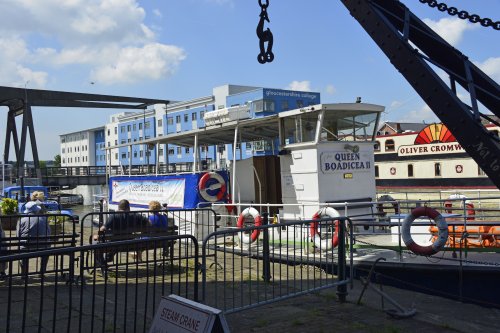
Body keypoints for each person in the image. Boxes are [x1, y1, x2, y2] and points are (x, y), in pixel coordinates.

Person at [93, 199, 149, 264]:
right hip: (130, 242)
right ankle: (108, 257)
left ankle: (101, 262)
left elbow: (103, 229)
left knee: (95, 242)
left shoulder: (113, 216)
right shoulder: (135, 215)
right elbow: (148, 223)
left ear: (119, 207)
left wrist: (96, 234)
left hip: (115, 243)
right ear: (129, 207)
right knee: (116, 241)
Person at [17, 201, 51, 277]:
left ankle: (24, 273)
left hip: (26, 247)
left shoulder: (22, 220)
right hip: (43, 247)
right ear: (37, 210)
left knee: (22, 249)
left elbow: (18, 235)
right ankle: (42, 272)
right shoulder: (44, 219)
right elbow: (49, 232)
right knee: (47, 247)